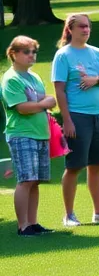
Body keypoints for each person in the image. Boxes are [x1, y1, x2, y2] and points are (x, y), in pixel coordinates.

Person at [52, 14, 99, 227]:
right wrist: (66, 120)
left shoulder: (96, 53)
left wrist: (97, 80)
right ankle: (68, 215)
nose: (86, 30)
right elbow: (59, 90)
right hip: (77, 116)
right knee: (74, 166)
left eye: (88, 27)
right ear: (70, 30)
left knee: (96, 165)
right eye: (81, 27)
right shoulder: (63, 56)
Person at [3, 36, 58, 236]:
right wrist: (44, 104)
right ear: (14, 54)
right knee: (25, 180)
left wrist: (45, 102)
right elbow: (22, 107)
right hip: (21, 134)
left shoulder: (33, 77)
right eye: (26, 52)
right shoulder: (11, 79)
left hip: (40, 133)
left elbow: (46, 98)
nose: (31, 55)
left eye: (34, 52)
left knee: (35, 181)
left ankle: (33, 223)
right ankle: (22, 225)